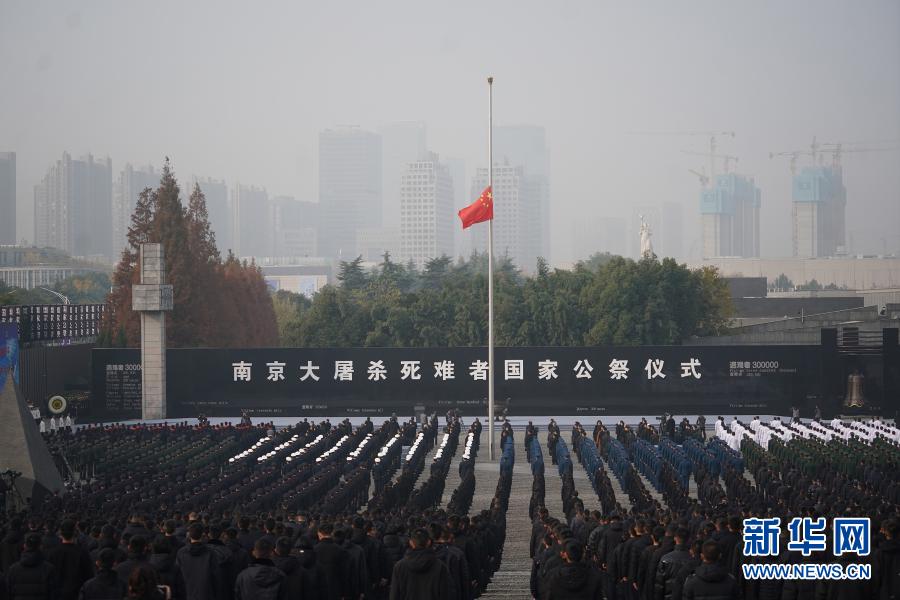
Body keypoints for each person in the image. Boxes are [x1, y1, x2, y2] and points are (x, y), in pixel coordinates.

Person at [388, 528, 450, 600]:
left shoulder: (399, 566)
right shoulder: (440, 566)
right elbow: (445, 594)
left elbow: (394, 595)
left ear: (411, 543)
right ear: (429, 542)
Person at [48, 520, 93, 600]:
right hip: (77, 593)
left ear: (60, 533)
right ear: (75, 533)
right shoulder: (82, 553)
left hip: (58, 594)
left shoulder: (53, 553)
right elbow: (89, 575)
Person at [5, 532, 58, 600]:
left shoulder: (13, 569)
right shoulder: (49, 569)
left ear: (24, 546)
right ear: (40, 546)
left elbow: (8, 593)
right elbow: (53, 594)